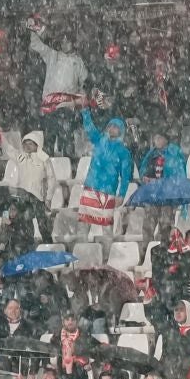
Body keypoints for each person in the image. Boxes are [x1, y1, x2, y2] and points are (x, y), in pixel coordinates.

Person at [29, 25, 88, 158]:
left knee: (67, 140)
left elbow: (83, 85)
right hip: (50, 107)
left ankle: (69, 170)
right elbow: (36, 45)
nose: (65, 43)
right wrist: (33, 29)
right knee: (48, 142)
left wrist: (80, 106)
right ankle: (45, 171)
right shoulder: (52, 55)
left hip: (67, 108)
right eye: (63, 41)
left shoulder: (78, 62)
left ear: (73, 43)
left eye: (68, 41)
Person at [77, 110, 134, 232]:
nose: (112, 128)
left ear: (121, 131)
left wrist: (121, 195)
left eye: (116, 127)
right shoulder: (98, 140)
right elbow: (89, 127)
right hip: (90, 188)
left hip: (108, 192)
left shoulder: (124, 152)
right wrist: (85, 112)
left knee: (106, 227)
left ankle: (107, 251)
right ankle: (81, 251)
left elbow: (125, 177)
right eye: (110, 126)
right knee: (83, 225)